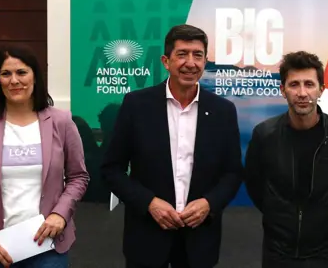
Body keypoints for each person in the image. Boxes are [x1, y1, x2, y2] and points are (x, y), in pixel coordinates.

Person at [101, 24, 243, 268]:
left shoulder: (223, 111)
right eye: (182, 54)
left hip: (199, 240)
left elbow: (232, 173)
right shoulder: (137, 105)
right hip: (147, 236)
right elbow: (111, 169)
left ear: (205, 61)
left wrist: (209, 204)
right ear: (166, 61)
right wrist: (149, 203)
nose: (191, 63)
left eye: (198, 55)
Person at [0, 45, 90, 268]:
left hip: (48, 246)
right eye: (6, 74)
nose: (14, 80)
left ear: (35, 76)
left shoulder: (61, 122)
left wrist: (60, 215)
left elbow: (78, 177)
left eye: (22, 72)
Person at [244, 51, 328, 268]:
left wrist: (327, 216)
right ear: (283, 90)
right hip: (278, 250)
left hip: (326, 250)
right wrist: (277, 214)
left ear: (321, 90)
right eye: (294, 84)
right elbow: (255, 185)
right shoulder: (264, 135)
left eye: (309, 84)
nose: (302, 92)